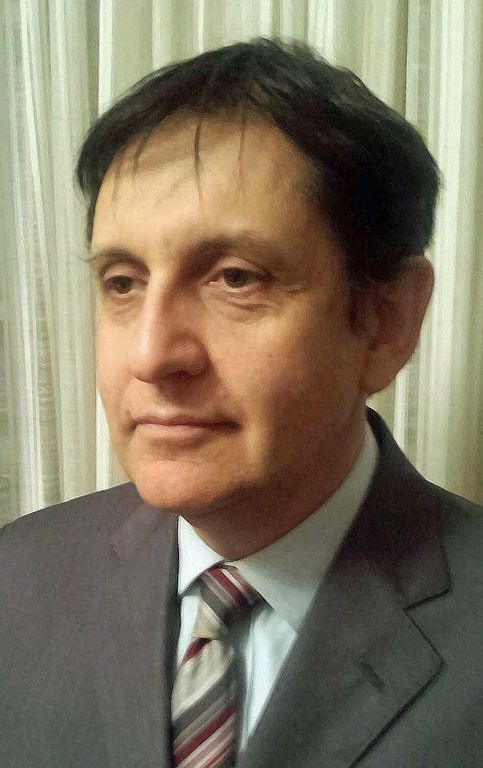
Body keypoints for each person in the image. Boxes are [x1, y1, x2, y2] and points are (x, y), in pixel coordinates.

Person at [1, 38, 482, 768]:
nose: (150, 356)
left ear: (387, 321)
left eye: (235, 278)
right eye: (123, 282)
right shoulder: (19, 578)